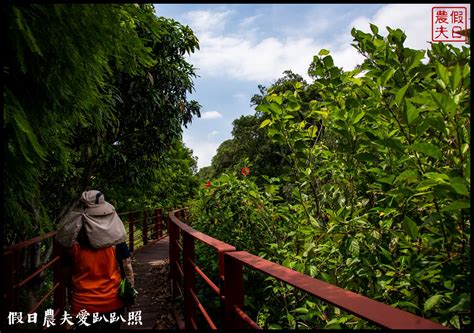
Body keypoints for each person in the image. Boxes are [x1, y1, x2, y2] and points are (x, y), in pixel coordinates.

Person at [56, 190, 135, 330]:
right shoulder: (115, 240)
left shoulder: (72, 243)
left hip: (82, 304)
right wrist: (130, 295)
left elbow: (66, 275)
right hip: (113, 301)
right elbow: (126, 267)